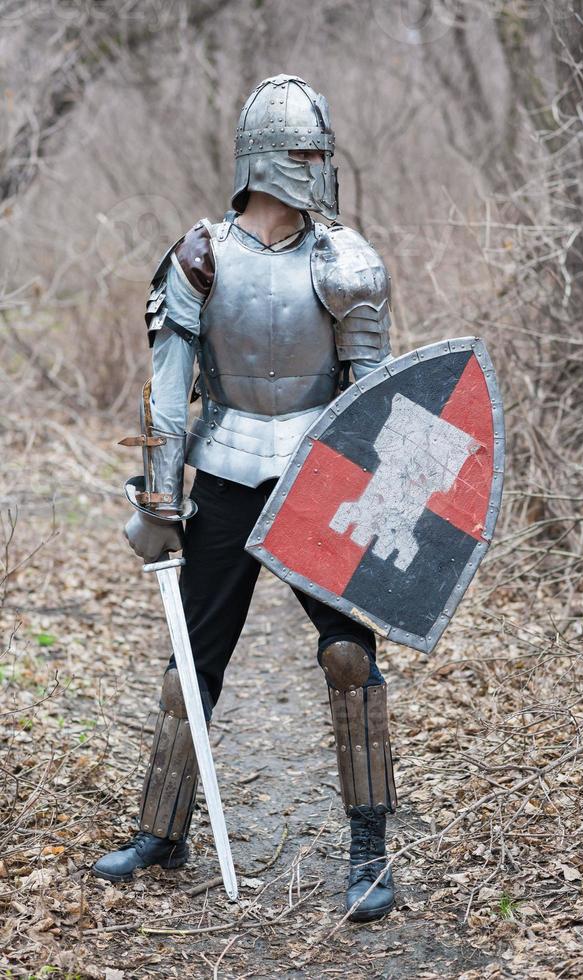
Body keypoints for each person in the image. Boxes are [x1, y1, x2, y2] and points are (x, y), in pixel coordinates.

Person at [92, 74, 398, 923]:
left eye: (320, 152)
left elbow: (370, 400)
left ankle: (369, 850)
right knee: (192, 662)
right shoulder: (201, 255)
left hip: (316, 476)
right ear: (264, 159)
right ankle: (163, 830)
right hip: (224, 470)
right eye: (304, 152)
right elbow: (167, 389)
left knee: (348, 658)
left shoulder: (348, 261)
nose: (316, 165)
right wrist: (159, 502)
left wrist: (366, 503)